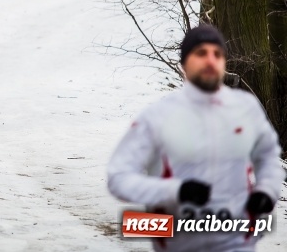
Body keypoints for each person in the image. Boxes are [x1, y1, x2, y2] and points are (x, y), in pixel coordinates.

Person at [108, 25, 283, 252]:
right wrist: (175, 191)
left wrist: (266, 191)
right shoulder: (159, 116)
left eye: (217, 54)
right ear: (183, 65)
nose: (210, 60)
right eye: (201, 53)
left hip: (237, 242)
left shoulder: (246, 109)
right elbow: (118, 177)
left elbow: (268, 157)